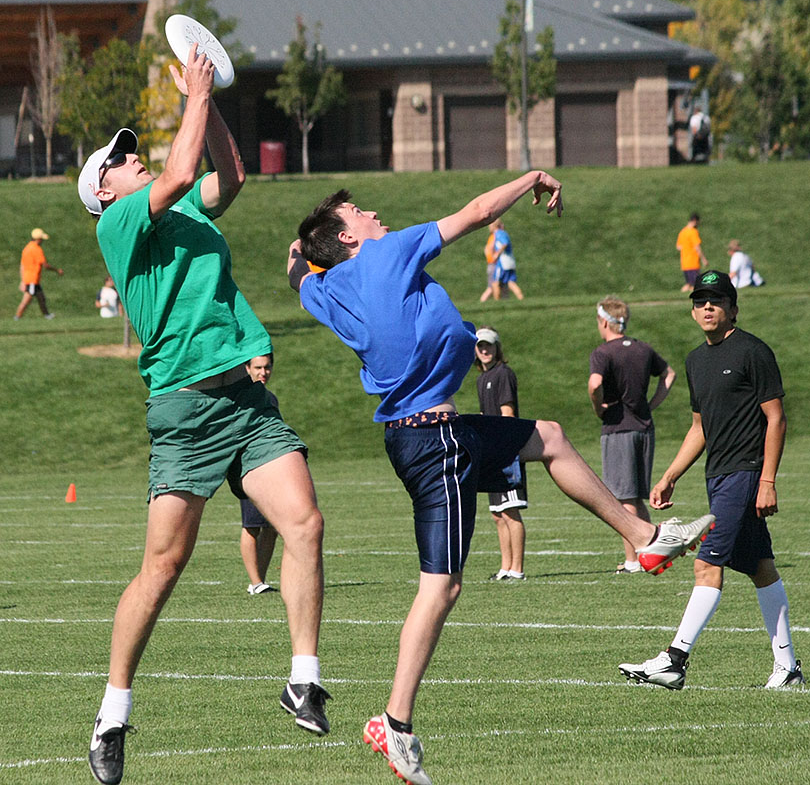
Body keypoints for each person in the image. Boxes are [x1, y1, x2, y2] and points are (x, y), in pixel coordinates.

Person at [287, 172, 713, 785]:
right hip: (436, 442)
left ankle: (643, 539)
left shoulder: (327, 290)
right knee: (442, 587)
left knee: (552, 438)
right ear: (349, 239)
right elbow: (481, 209)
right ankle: (394, 723)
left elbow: (298, 270)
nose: (373, 213)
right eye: (358, 212)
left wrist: (304, 248)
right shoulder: (385, 251)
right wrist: (535, 177)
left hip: (430, 436)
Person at [79, 44, 328, 785]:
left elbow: (231, 175)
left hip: (243, 401)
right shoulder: (117, 226)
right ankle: (113, 713)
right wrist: (193, 92)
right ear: (104, 191)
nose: (135, 159)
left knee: (306, 524)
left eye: (132, 153)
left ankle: (303, 678)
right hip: (184, 408)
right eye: (122, 159)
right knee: (164, 567)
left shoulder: (181, 203)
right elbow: (183, 167)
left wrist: (211, 98)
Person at [619, 271, 803, 691]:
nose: (707, 307)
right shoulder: (695, 360)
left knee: (706, 564)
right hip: (717, 475)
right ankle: (788, 667)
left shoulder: (753, 351)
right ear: (692, 310)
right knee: (761, 569)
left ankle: (675, 660)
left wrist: (767, 480)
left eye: (716, 300)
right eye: (701, 300)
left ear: (732, 309)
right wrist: (669, 475)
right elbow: (699, 427)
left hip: (745, 472)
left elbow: (776, 417)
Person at [588, 296, 676, 574]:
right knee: (635, 497)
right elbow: (669, 375)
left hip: (618, 428)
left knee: (622, 499)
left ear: (604, 321)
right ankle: (653, 552)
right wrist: (652, 404)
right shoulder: (643, 348)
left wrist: (599, 407)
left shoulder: (603, 353)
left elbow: (595, 384)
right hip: (644, 428)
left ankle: (633, 561)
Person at [474, 326, 527, 581]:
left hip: (504, 450)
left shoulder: (503, 374)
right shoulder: (481, 378)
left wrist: (502, 448)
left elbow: (508, 415)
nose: (485, 350)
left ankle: (517, 568)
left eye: (489, 346)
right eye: (480, 346)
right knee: (498, 514)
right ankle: (505, 567)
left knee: (511, 510)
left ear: (497, 348)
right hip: (491, 452)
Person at [240, 354, 280, 595]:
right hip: (249, 467)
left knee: (272, 526)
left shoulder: (270, 398)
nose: (262, 372)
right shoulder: (242, 398)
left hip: (272, 467)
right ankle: (255, 582)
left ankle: (260, 581)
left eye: (266, 367)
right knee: (252, 525)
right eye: (257, 368)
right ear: (247, 368)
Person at [13, 227, 63, 320]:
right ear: (38, 239)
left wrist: (23, 280)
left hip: (29, 278)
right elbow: (45, 265)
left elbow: (22, 265)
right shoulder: (36, 249)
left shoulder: (27, 248)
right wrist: (57, 270)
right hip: (32, 279)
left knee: (41, 297)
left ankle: (47, 315)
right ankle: (17, 317)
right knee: (26, 300)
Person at [489, 218, 524, 301]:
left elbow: (505, 243)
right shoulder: (504, 233)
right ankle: (521, 298)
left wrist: (497, 254)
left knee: (495, 283)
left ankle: (496, 302)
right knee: (511, 282)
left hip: (503, 262)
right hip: (510, 260)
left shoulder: (498, 233)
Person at [676, 212, 707, 293]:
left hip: (684, 262)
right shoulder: (693, 232)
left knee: (688, 284)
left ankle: (681, 294)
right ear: (695, 221)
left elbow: (678, 247)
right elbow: (697, 247)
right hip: (693, 262)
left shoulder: (682, 232)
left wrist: (686, 247)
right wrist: (703, 259)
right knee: (695, 285)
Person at [478, 225, 498, 302]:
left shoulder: (492, 237)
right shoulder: (494, 237)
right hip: (493, 264)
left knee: (499, 286)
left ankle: (503, 302)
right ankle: (482, 301)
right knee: (491, 287)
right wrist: (495, 256)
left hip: (491, 264)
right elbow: (488, 249)